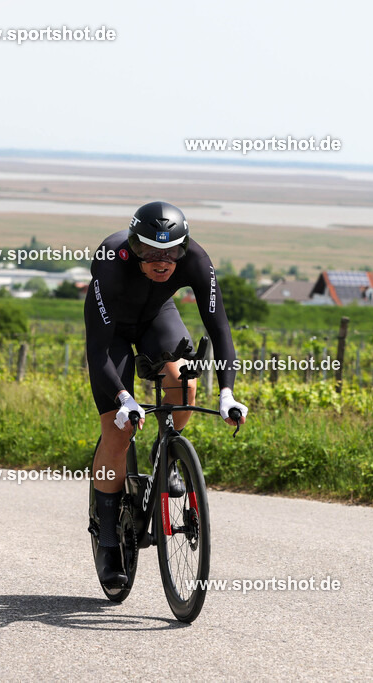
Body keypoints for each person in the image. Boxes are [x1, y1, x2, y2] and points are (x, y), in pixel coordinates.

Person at [85, 200, 248, 587]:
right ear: (133, 246)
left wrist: (227, 393)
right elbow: (98, 350)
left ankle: (168, 456)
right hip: (112, 337)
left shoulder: (196, 259)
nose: (163, 261)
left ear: (184, 246)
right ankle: (108, 539)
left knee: (186, 378)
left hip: (157, 318)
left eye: (172, 252)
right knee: (118, 432)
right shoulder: (111, 259)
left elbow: (220, 330)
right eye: (151, 252)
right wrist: (125, 399)